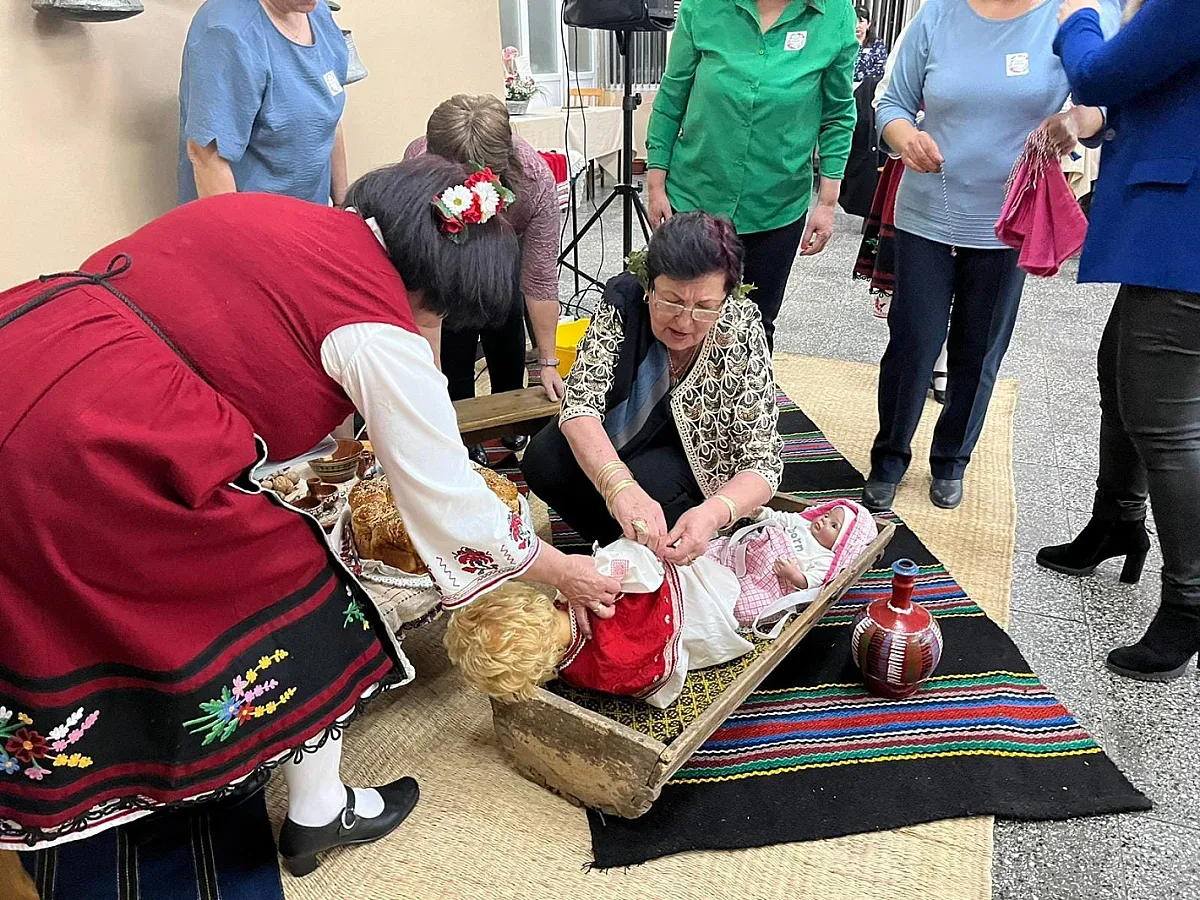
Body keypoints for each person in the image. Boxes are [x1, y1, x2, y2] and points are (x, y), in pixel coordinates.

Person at [0, 157, 621, 872]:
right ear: (438, 289)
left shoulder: (283, 216)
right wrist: (563, 569)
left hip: (38, 336)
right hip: (84, 437)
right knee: (300, 581)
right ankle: (310, 810)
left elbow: (231, 345)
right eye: (447, 311)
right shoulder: (378, 331)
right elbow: (456, 509)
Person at [862, 0, 1119, 513]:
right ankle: (889, 457)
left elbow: (1104, 101)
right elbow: (890, 103)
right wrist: (906, 137)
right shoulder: (938, 14)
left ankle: (952, 460)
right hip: (928, 211)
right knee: (913, 341)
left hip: (1008, 220)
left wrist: (1074, 122)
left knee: (979, 350)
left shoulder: (1069, 14)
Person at [1038, 0, 1200, 681]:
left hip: (1183, 224)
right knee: (1119, 376)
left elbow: (1103, 71)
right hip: (1170, 213)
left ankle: (1190, 600)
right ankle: (1117, 521)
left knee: (1165, 426)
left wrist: (1076, 16)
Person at [521, 212, 783, 568]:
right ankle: (621, 549)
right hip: (623, 435)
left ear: (725, 299)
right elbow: (580, 403)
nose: (685, 321)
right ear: (649, 288)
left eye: (704, 307)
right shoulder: (624, 302)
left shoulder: (740, 328)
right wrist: (618, 488)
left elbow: (763, 461)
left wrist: (713, 514)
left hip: (695, 464)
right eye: (671, 301)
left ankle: (652, 559)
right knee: (545, 457)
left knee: (652, 488)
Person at [644, 0, 859, 351]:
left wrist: (827, 202)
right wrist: (656, 184)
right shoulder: (702, 7)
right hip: (696, 196)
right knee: (681, 318)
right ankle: (668, 405)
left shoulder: (834, 14)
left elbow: (838, 115)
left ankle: (747, 405)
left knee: (755, 326)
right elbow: (672, 97)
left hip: (777, 203)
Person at [405, 95, 565, 430]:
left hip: (505, 249)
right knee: (452, 349)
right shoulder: (418, 162)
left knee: (506, 320)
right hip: (445, 262)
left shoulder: (535, 181)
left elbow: (539, 278)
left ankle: (509, 427)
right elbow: (422, 288)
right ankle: (456, 426)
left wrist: (548, 361)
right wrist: (429, 376)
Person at [444, 542, 754, 709]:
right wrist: (606, 562)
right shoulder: (592, 588)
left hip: (710, 631)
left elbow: (646, 682)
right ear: (525, 600)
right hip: (704, 595)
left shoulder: (580, 672)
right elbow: (641, 564)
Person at [179, 0, 350, 205]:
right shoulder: (226, 30)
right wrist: (236, 235)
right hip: (249, 219)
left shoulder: (318, 14)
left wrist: (344, 208)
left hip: (308, 216)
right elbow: (205, 155)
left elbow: (330, 120)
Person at [854, 6, 888, 81]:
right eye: (854, 21)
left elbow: (879, 69)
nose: (857, 26)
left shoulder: (877, 45)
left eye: (861, 21)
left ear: (868, 23)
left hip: (867, 88)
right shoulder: (846, 43)